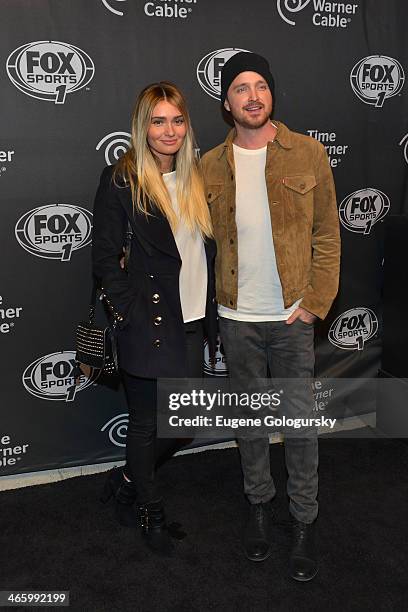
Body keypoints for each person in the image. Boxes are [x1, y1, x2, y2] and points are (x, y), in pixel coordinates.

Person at [201, 52, 340, 580]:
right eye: (241, 87)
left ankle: (303, 517)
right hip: (235, 318)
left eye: (261, 85)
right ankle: (258, 505)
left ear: (272, 95)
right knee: (251, 423)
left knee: (299, 426)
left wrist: (314, 305)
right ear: (226, 101)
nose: (253, 95)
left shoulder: (308, 153)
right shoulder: (210, 164)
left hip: (290, 319)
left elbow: (328, 234)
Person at [92, 82, 217, 556]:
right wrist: (128, 312)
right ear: (142, 126)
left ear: (187, 126)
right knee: (148, 424)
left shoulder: (194, 177)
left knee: (183, 420)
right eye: (159, 121)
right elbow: (104, 258)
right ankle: (149, 510)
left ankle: (125, 480)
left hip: (190, 318)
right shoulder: (121, 179)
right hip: (149, 321)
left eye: (178, 120)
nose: (170, 131)